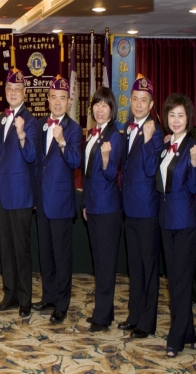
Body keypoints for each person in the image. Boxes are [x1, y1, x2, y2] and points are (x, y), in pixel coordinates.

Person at [0, 68, 38, 316]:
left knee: (21, 249)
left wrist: (21, 135)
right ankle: (10, 294)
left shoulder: (32, 122)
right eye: (10, 88)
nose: (13, 92)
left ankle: (25, 299)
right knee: (6, 248)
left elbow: (31, 156)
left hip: (21, 195)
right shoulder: (0, 119)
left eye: (18, 89)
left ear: (24, 92)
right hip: (1, 195)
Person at [156, 93, 196, 358]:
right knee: (173, 279)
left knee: (181, 281)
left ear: (188, 118)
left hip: (184, 223)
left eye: (180, 115)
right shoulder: (167, 146)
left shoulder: (192, 147)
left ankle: (175, 339)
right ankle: (188, 332)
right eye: (172, 115)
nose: (176, 120)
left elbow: (195, 187)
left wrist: (195, 164)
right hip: (166, 221)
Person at [33, 75, 82, 325]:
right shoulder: (41, 124)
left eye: (63, 98)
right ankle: (49, 297)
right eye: (54, 97)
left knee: (62, 256)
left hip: (61, 202)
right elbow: (37, 163)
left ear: (68, 101)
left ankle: (62, 303)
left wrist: (62, 141)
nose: (58, 102)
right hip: (42, 201)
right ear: (48, 99)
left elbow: (75, 162)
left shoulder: (74, 129)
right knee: (46, 253)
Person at [119, 74, 164, 339]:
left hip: (147, 210)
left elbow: (150, 169)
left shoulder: (155, 132)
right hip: (130, 208)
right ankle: (134, 314)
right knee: (134, 266)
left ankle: (147, 322)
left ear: (151, 104)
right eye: (135, 99)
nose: (138, 104)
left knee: (149, 268)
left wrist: (147, 140)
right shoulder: (128, 127)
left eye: (143, 100)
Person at [82, 87, 124, 333]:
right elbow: (87, 174)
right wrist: (85, 204)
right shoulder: (92, 134)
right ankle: (104, 311)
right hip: (93, 205)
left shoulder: (114, 136)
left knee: (106, 264)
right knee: (98, 262)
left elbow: (110, 175)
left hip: (108, 208)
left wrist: (107, 159)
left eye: (104, 105)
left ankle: (102, 316)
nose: (100, 109)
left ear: (111, 109)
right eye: (97, 104)